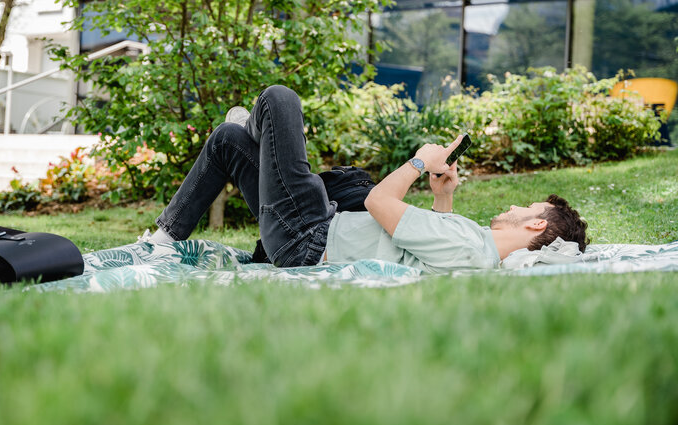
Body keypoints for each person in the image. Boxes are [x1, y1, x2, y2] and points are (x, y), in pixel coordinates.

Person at [142, 85, 589, 272]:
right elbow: (428, 249)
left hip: (309, 236)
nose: (513, 207)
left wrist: (418, 162)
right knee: (226, 140)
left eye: (524, 210)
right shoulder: (474, 246)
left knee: (280, 99)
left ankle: (257, 126)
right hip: (312, 230)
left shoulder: (475, 248)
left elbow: (378, 202)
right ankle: (164, 237)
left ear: (537, 227)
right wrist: (442, 195)